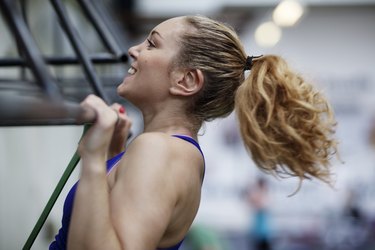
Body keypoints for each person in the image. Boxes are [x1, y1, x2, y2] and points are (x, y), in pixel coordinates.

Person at [49, 15, 338, 250]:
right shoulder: (173, 151)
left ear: (186, 80)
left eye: (151, 44)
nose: (134, 50)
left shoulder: (159, 150)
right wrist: (111, 157)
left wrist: (93, 156)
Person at [247, 178, 272, 250]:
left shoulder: (265, 196)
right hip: (259, 231)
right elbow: (254, 203)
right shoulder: (258, 195)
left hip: (264, 232)